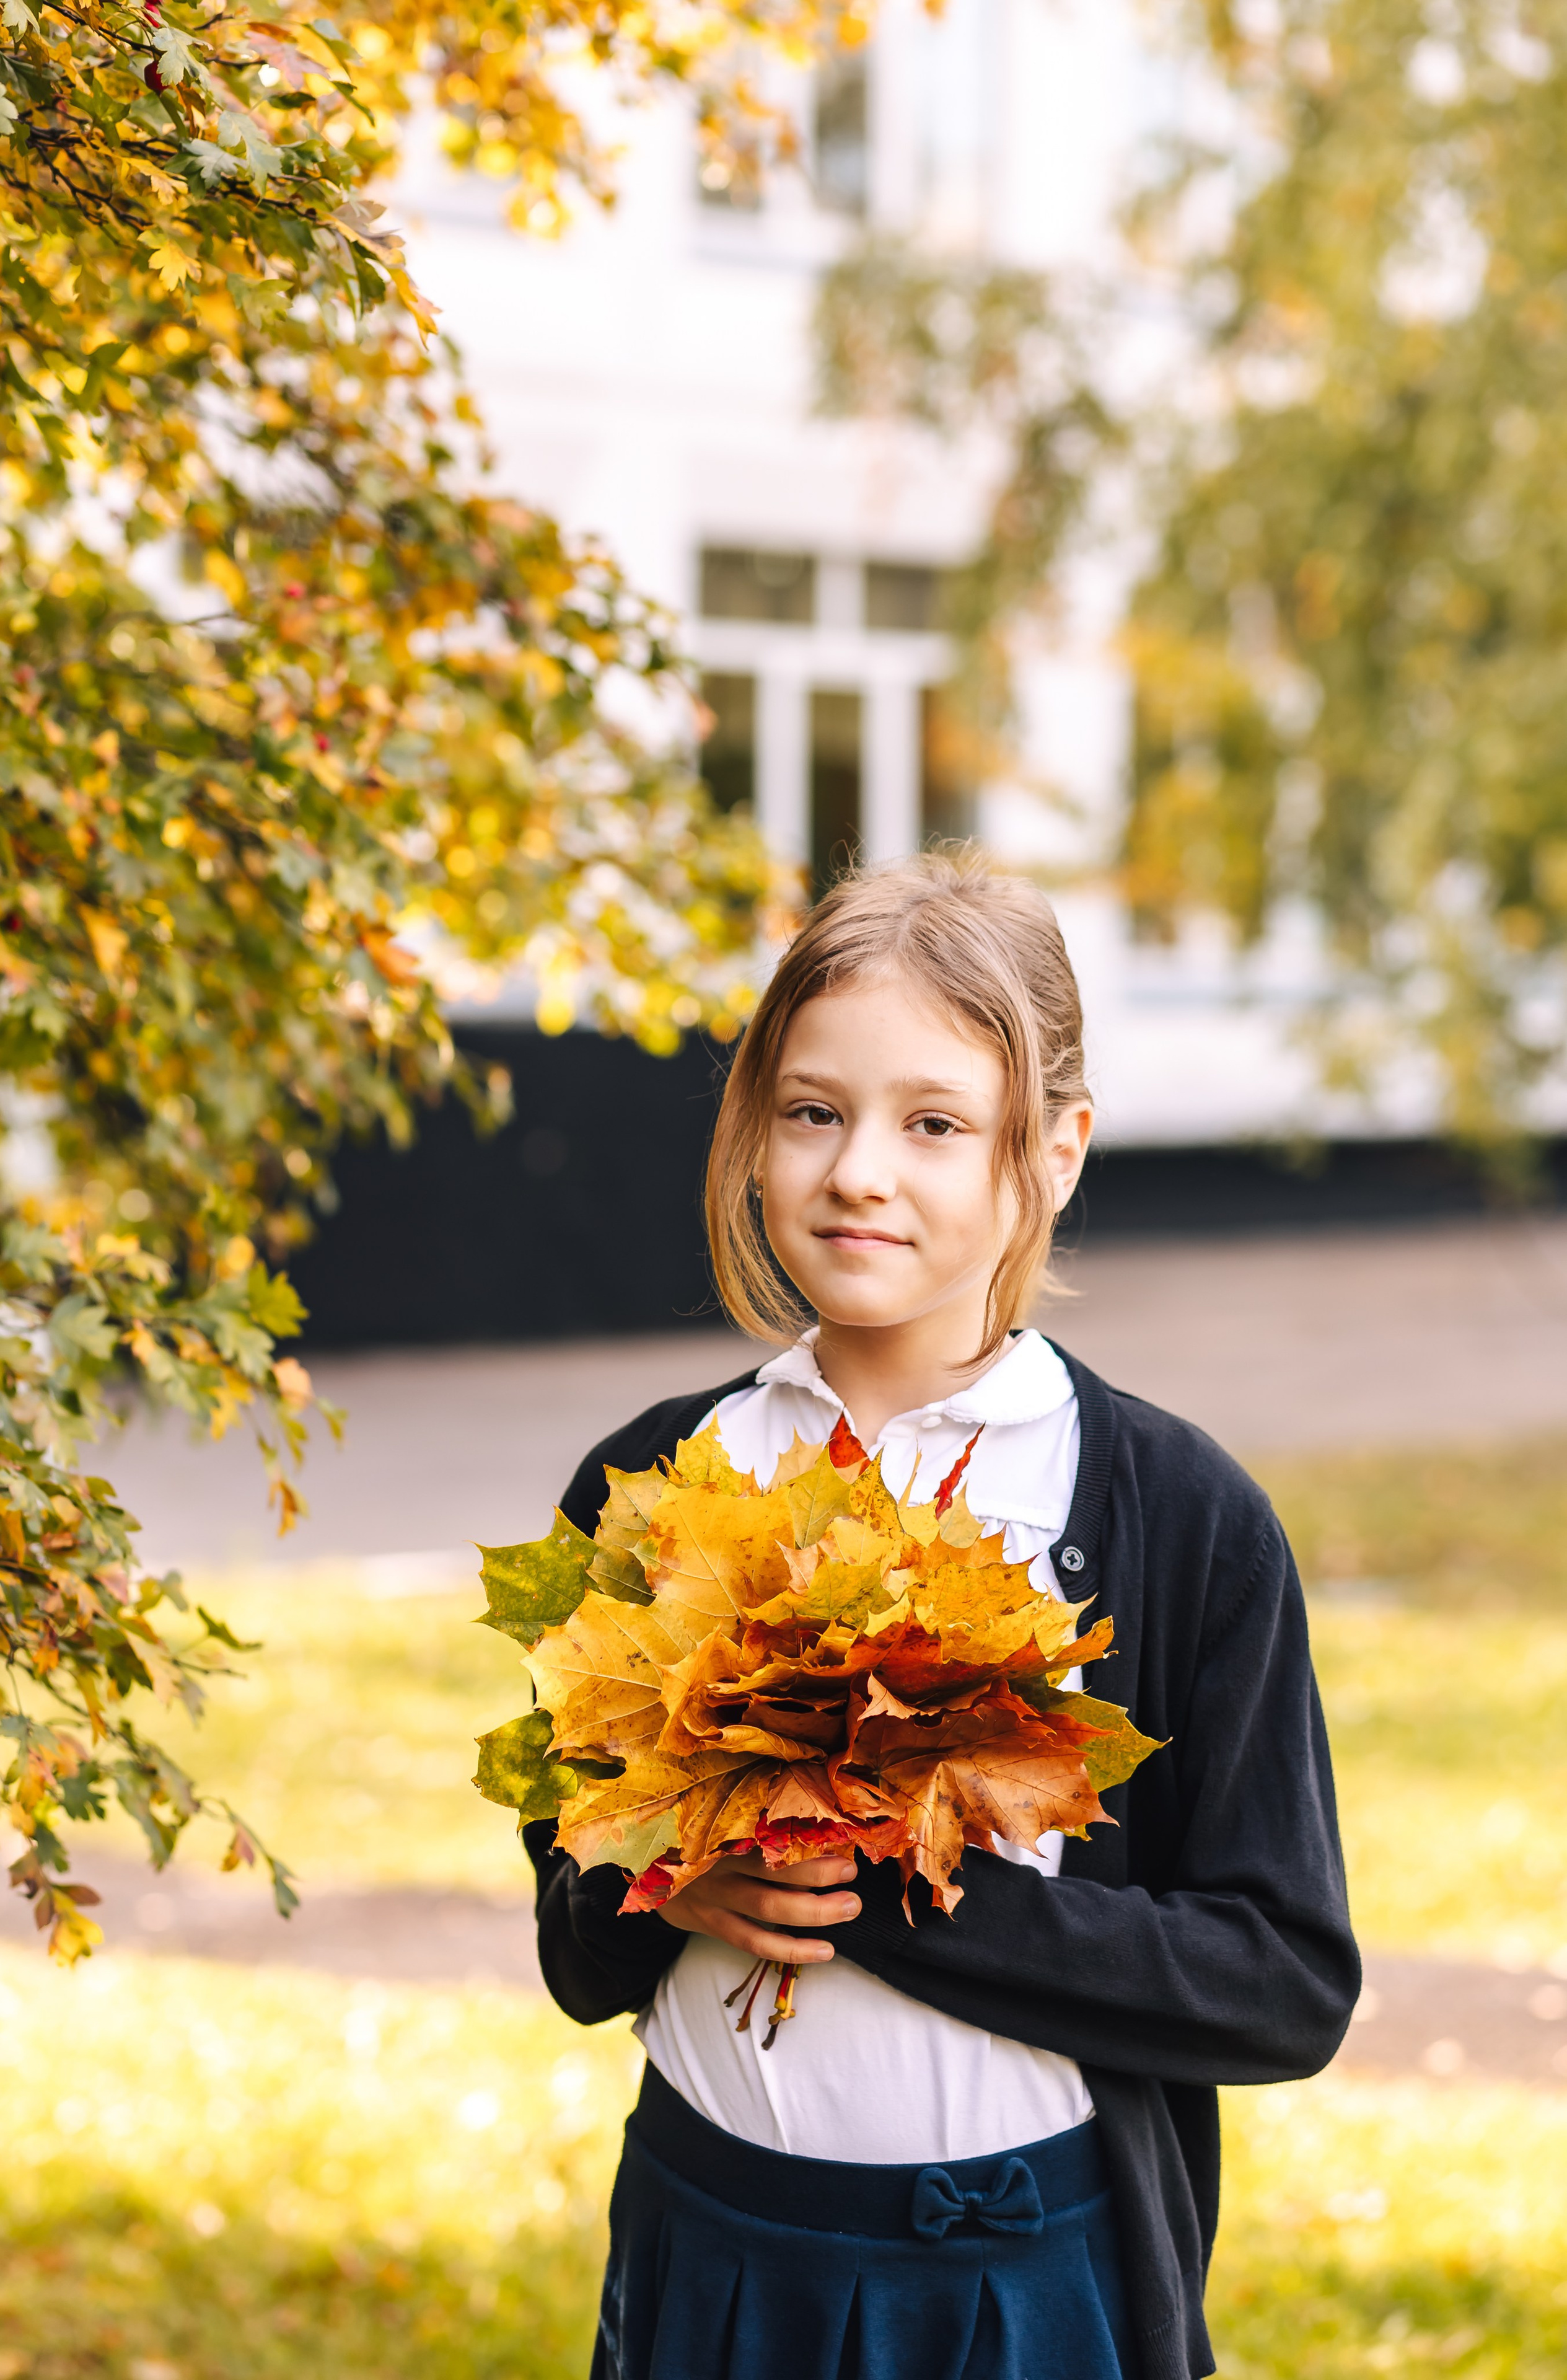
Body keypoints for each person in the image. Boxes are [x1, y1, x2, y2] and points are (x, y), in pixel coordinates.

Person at [525, 852, 1359, 2380]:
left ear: (1053, 1152)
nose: (859, 1172)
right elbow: (573, 1929)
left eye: (933, 1125)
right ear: (752, 1130)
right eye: (811, 1112)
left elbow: (1279, 1984)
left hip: (1015, 2276)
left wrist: (886, 1888)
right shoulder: (649, 1486)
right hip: (709, 2241)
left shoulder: (1177, 1522)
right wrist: (665, 1887)